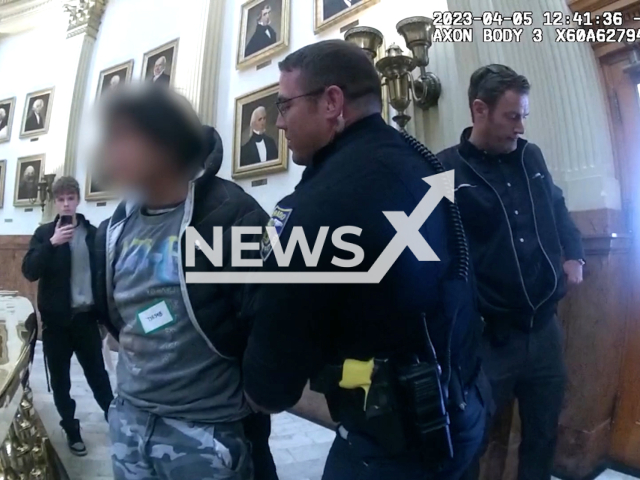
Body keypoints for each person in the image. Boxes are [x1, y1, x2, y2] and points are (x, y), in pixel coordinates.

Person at [242, 40, 487, 480]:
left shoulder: (317, 206)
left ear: (332, 102)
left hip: (389, 443)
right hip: (461, 409)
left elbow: (270, 386)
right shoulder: (422, 164)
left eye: (284, 105)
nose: (279, 122)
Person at [93, 84, 277, 480]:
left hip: (208, 432)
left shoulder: (232, 215)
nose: (110, 151)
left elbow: (270, 315)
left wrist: (262, 390)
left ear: (165, 142)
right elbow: (118, 318)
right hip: (130, 421)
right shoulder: (112, 230)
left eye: (124, 137)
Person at [437, 64, 585, 480]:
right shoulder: (442, 170)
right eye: (512, 116)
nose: (521, 127)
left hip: (544, 330)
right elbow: (432, 250)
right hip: (488, 339)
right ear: (479, 110)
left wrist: (575, 254)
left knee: (542, 434)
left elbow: (557, 208)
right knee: (471, 438)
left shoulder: (531, 156)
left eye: (524, 116)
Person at [22, 176, 114, 456]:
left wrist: (106, 318)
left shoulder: (94, 233)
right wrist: (51, 244)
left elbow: (105, 275)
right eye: (60, 199)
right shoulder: (43, 233)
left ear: (77, 200)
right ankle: (72, 430)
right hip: (56, 325)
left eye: (70, 198)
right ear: (55, 202)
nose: (65, 203)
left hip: (86, 321)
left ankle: (119, 424)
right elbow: (29, 271)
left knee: (99, 377)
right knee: (61, 382)